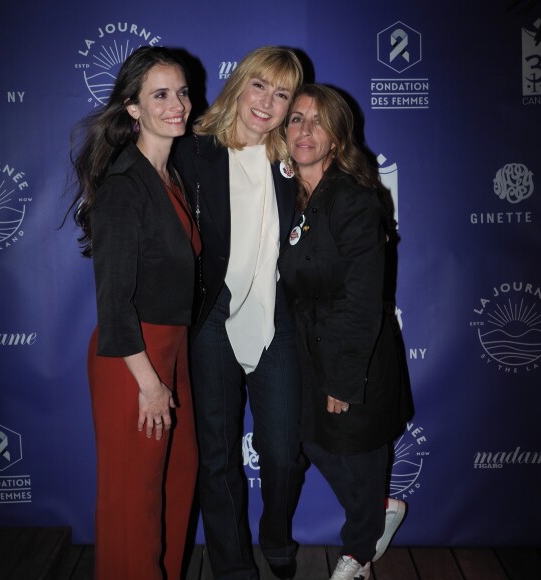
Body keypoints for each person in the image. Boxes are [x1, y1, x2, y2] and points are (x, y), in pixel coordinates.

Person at [173, 46, 304, 580]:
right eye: (260, 86)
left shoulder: (293, 158)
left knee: (283, 452)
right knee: (218, 452)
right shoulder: (192, 150)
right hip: (210, 317)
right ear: (239, 84)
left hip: (277, 317)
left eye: (282, 94)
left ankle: (276, 535)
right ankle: (231, 566)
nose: (267, 102)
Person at [69, 46, 200, 580]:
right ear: (133, 108)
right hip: (134, 363)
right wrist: (149, 384)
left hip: (174, 354)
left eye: (183, 92)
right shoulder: (125, 187)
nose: (179, 105)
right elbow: (114, 303)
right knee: (132, 503)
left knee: (176, 482)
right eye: (161, 95)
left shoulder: (170, 178)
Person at [278, 84, 414, 580]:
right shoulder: (289, 198)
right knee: (307, 441)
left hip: (355, 352)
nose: (305, 130)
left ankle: (358, 552)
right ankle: (378, 511)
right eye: (296, 119)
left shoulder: (354, 199)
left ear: (337, 137)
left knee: (357, 452)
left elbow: (362, 302)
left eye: (318, 121)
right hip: (306, 351)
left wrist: (343, 379)